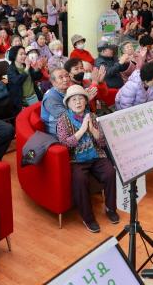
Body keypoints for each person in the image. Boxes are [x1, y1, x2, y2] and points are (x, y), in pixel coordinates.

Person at [56, 85, 118, 233]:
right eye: (74, 100)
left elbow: (102, 142)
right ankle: (88, 218)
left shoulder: (93, 117)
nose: (77, 102)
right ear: (68, 104)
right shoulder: (63, 120)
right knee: (80, 179)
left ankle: (110, 208)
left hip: (95, 154)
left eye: (80, 99)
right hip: (75, 159)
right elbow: (65, 144)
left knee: (110, 172)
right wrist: (83, 129)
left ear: (85, 102)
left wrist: (92, 130)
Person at [40, 68, 72, 135]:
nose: (65, 79)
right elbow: (67, 117)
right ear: (53, 82)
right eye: (61, 77)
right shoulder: (50, 97)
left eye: (67, 76)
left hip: (70, 124)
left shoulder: (68, 90)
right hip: (58, 131)